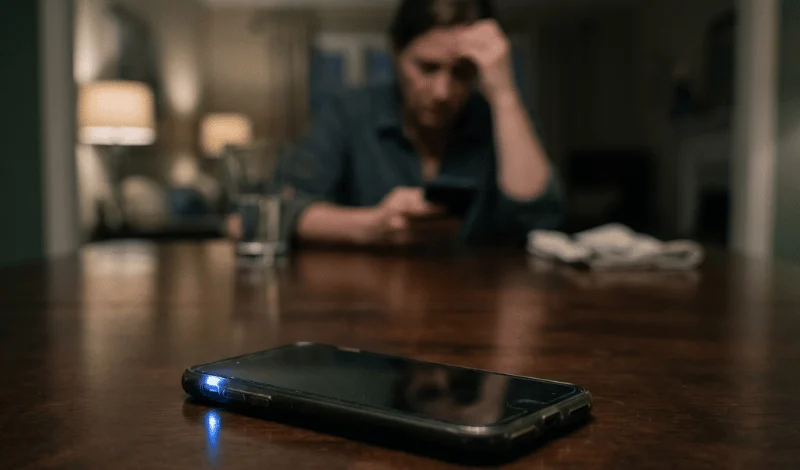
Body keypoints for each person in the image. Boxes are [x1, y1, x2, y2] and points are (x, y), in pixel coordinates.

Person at [236, 0, 562, 247]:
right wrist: (372, 226)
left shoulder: (503, 117)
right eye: (427, 68)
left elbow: (541, 220)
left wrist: (504, 92)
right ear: (395, 51)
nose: (442, 92)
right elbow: (275, 210)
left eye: (463, 72)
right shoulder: (348, 112)